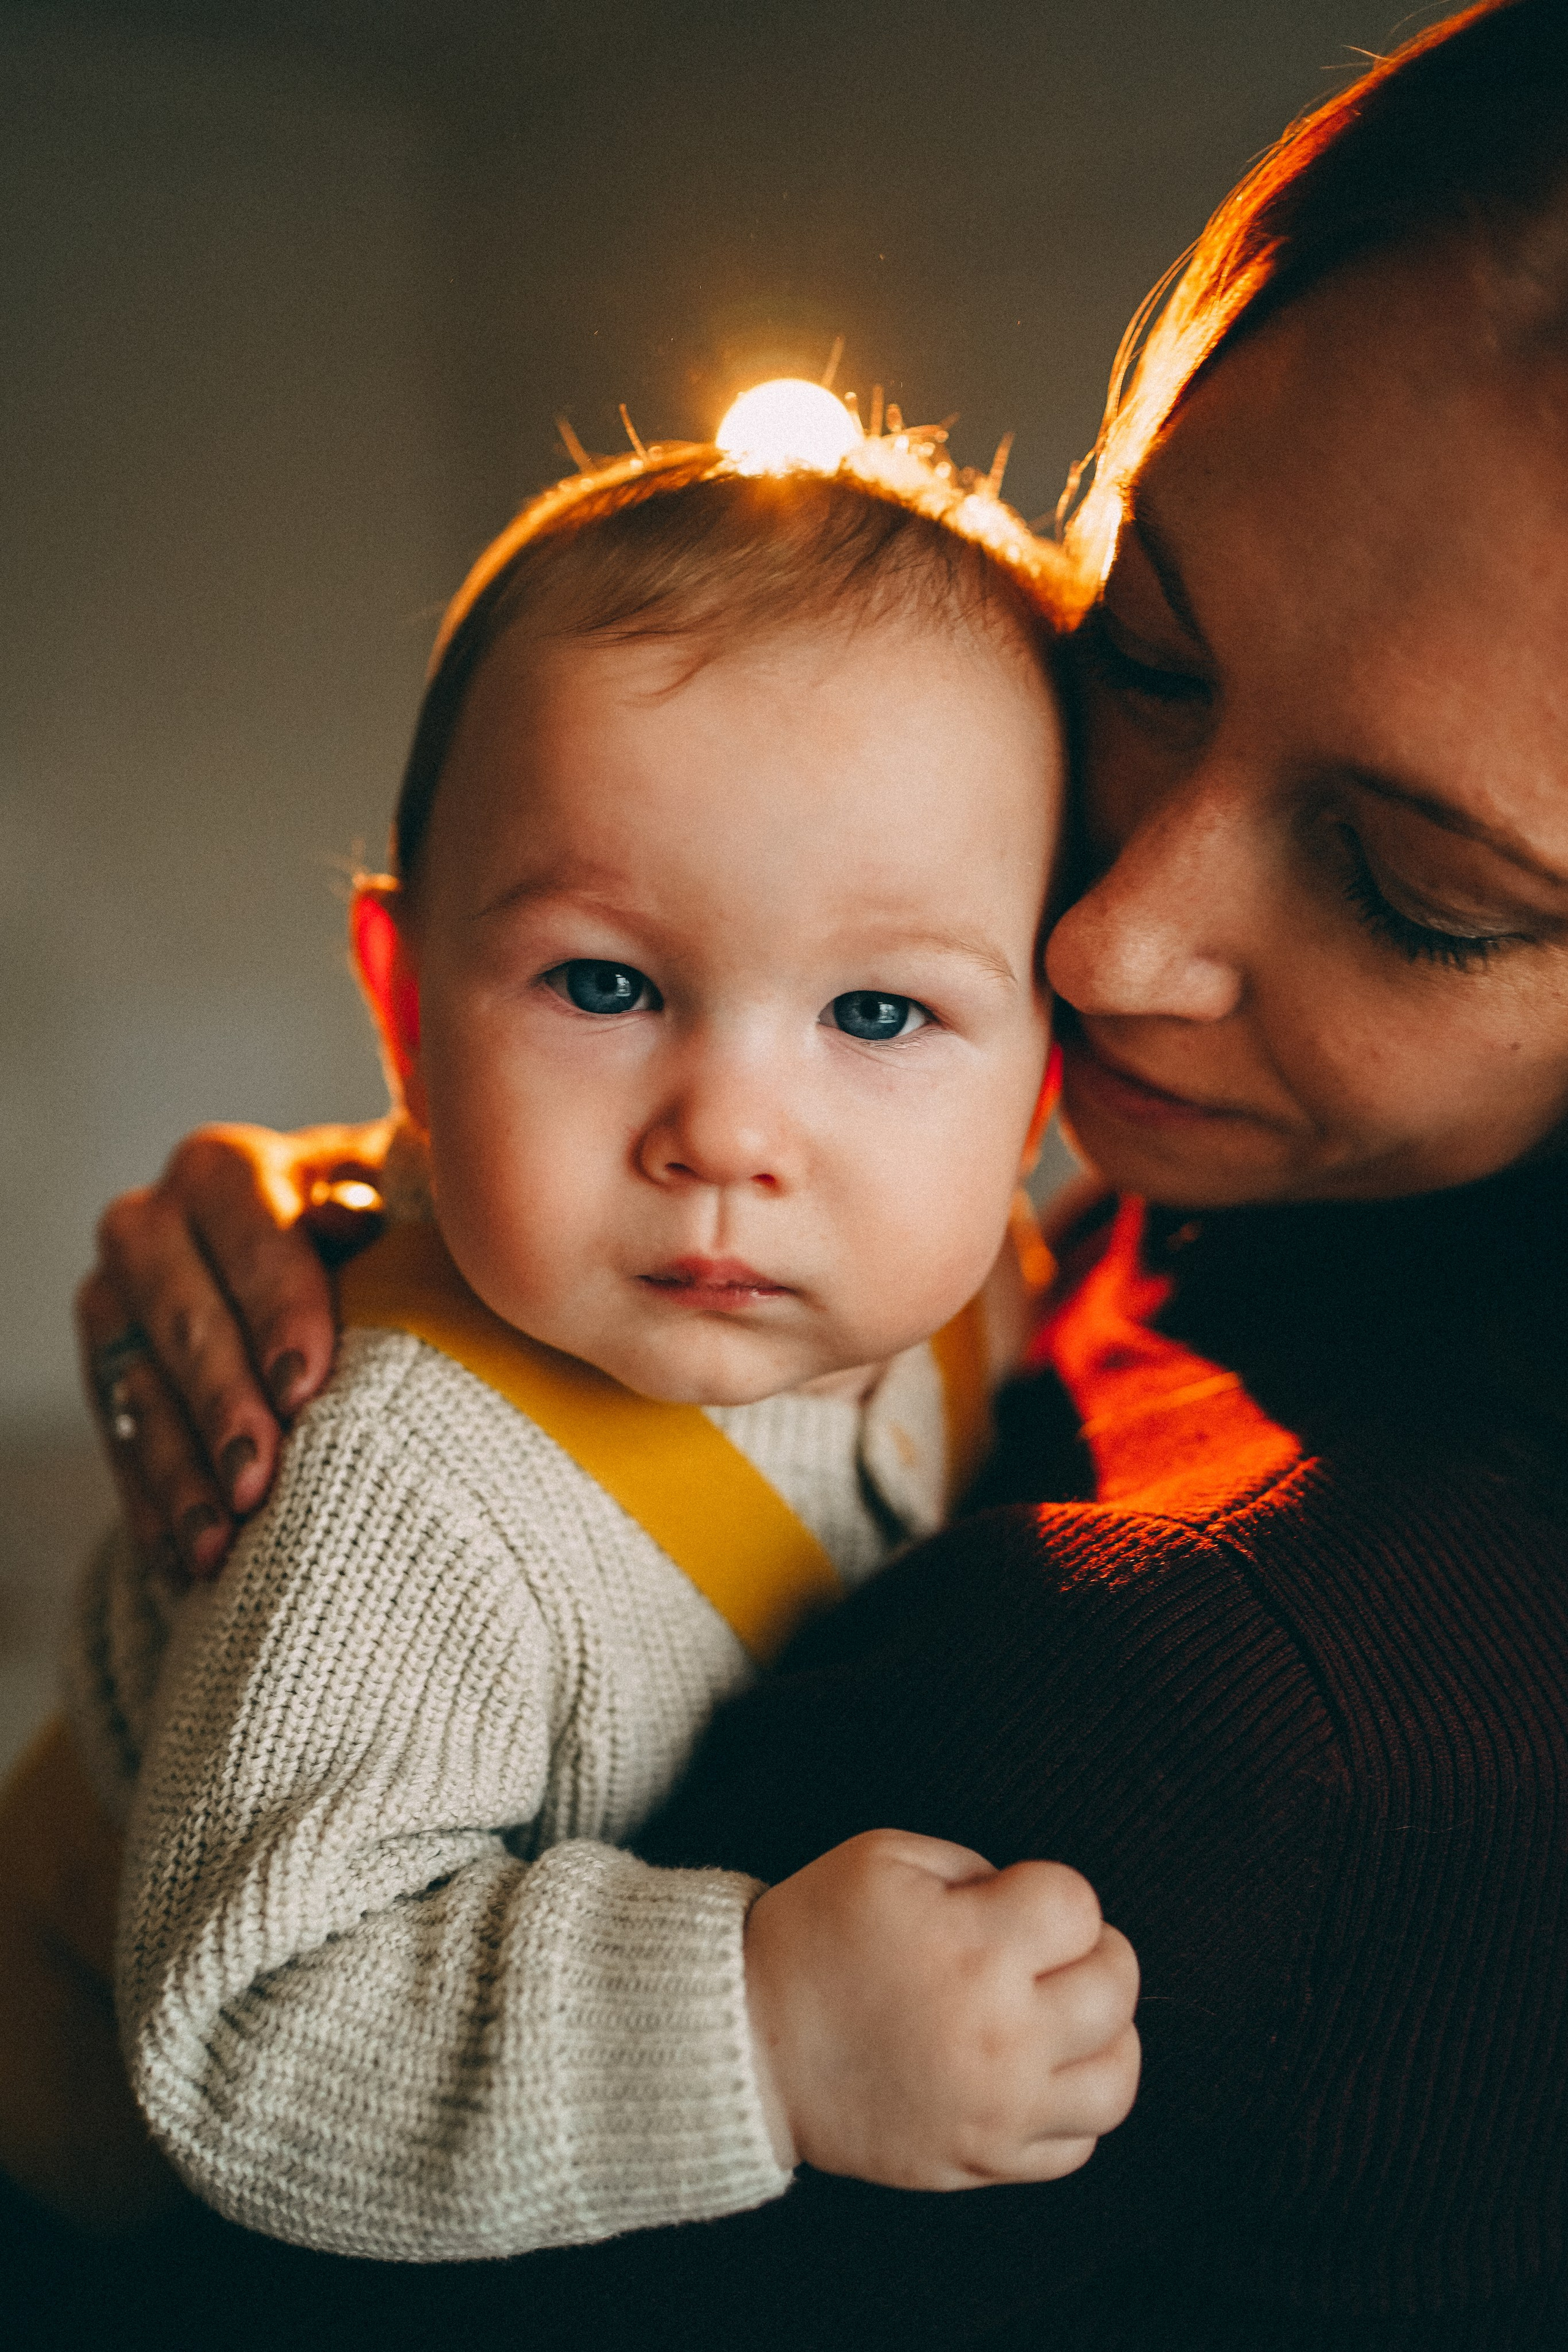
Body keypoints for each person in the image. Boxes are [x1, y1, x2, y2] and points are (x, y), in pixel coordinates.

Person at [66, 0, 1568, 2340]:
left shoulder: (1258, 1712)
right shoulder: (1062, 1250)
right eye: (1149, 651)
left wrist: (747, 2023)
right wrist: (412, 1198)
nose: (1107, 940)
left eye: (1415, 886)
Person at [4, 437, 1146, 2263]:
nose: (728, 1133)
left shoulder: (968, 1291)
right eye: (604, 986)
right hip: (87, 2191)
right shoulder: (399, 1483)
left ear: (1038, 1083)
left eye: (878, 1010)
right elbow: (252, 2034)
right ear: (400, 1007)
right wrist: (761, 2028)